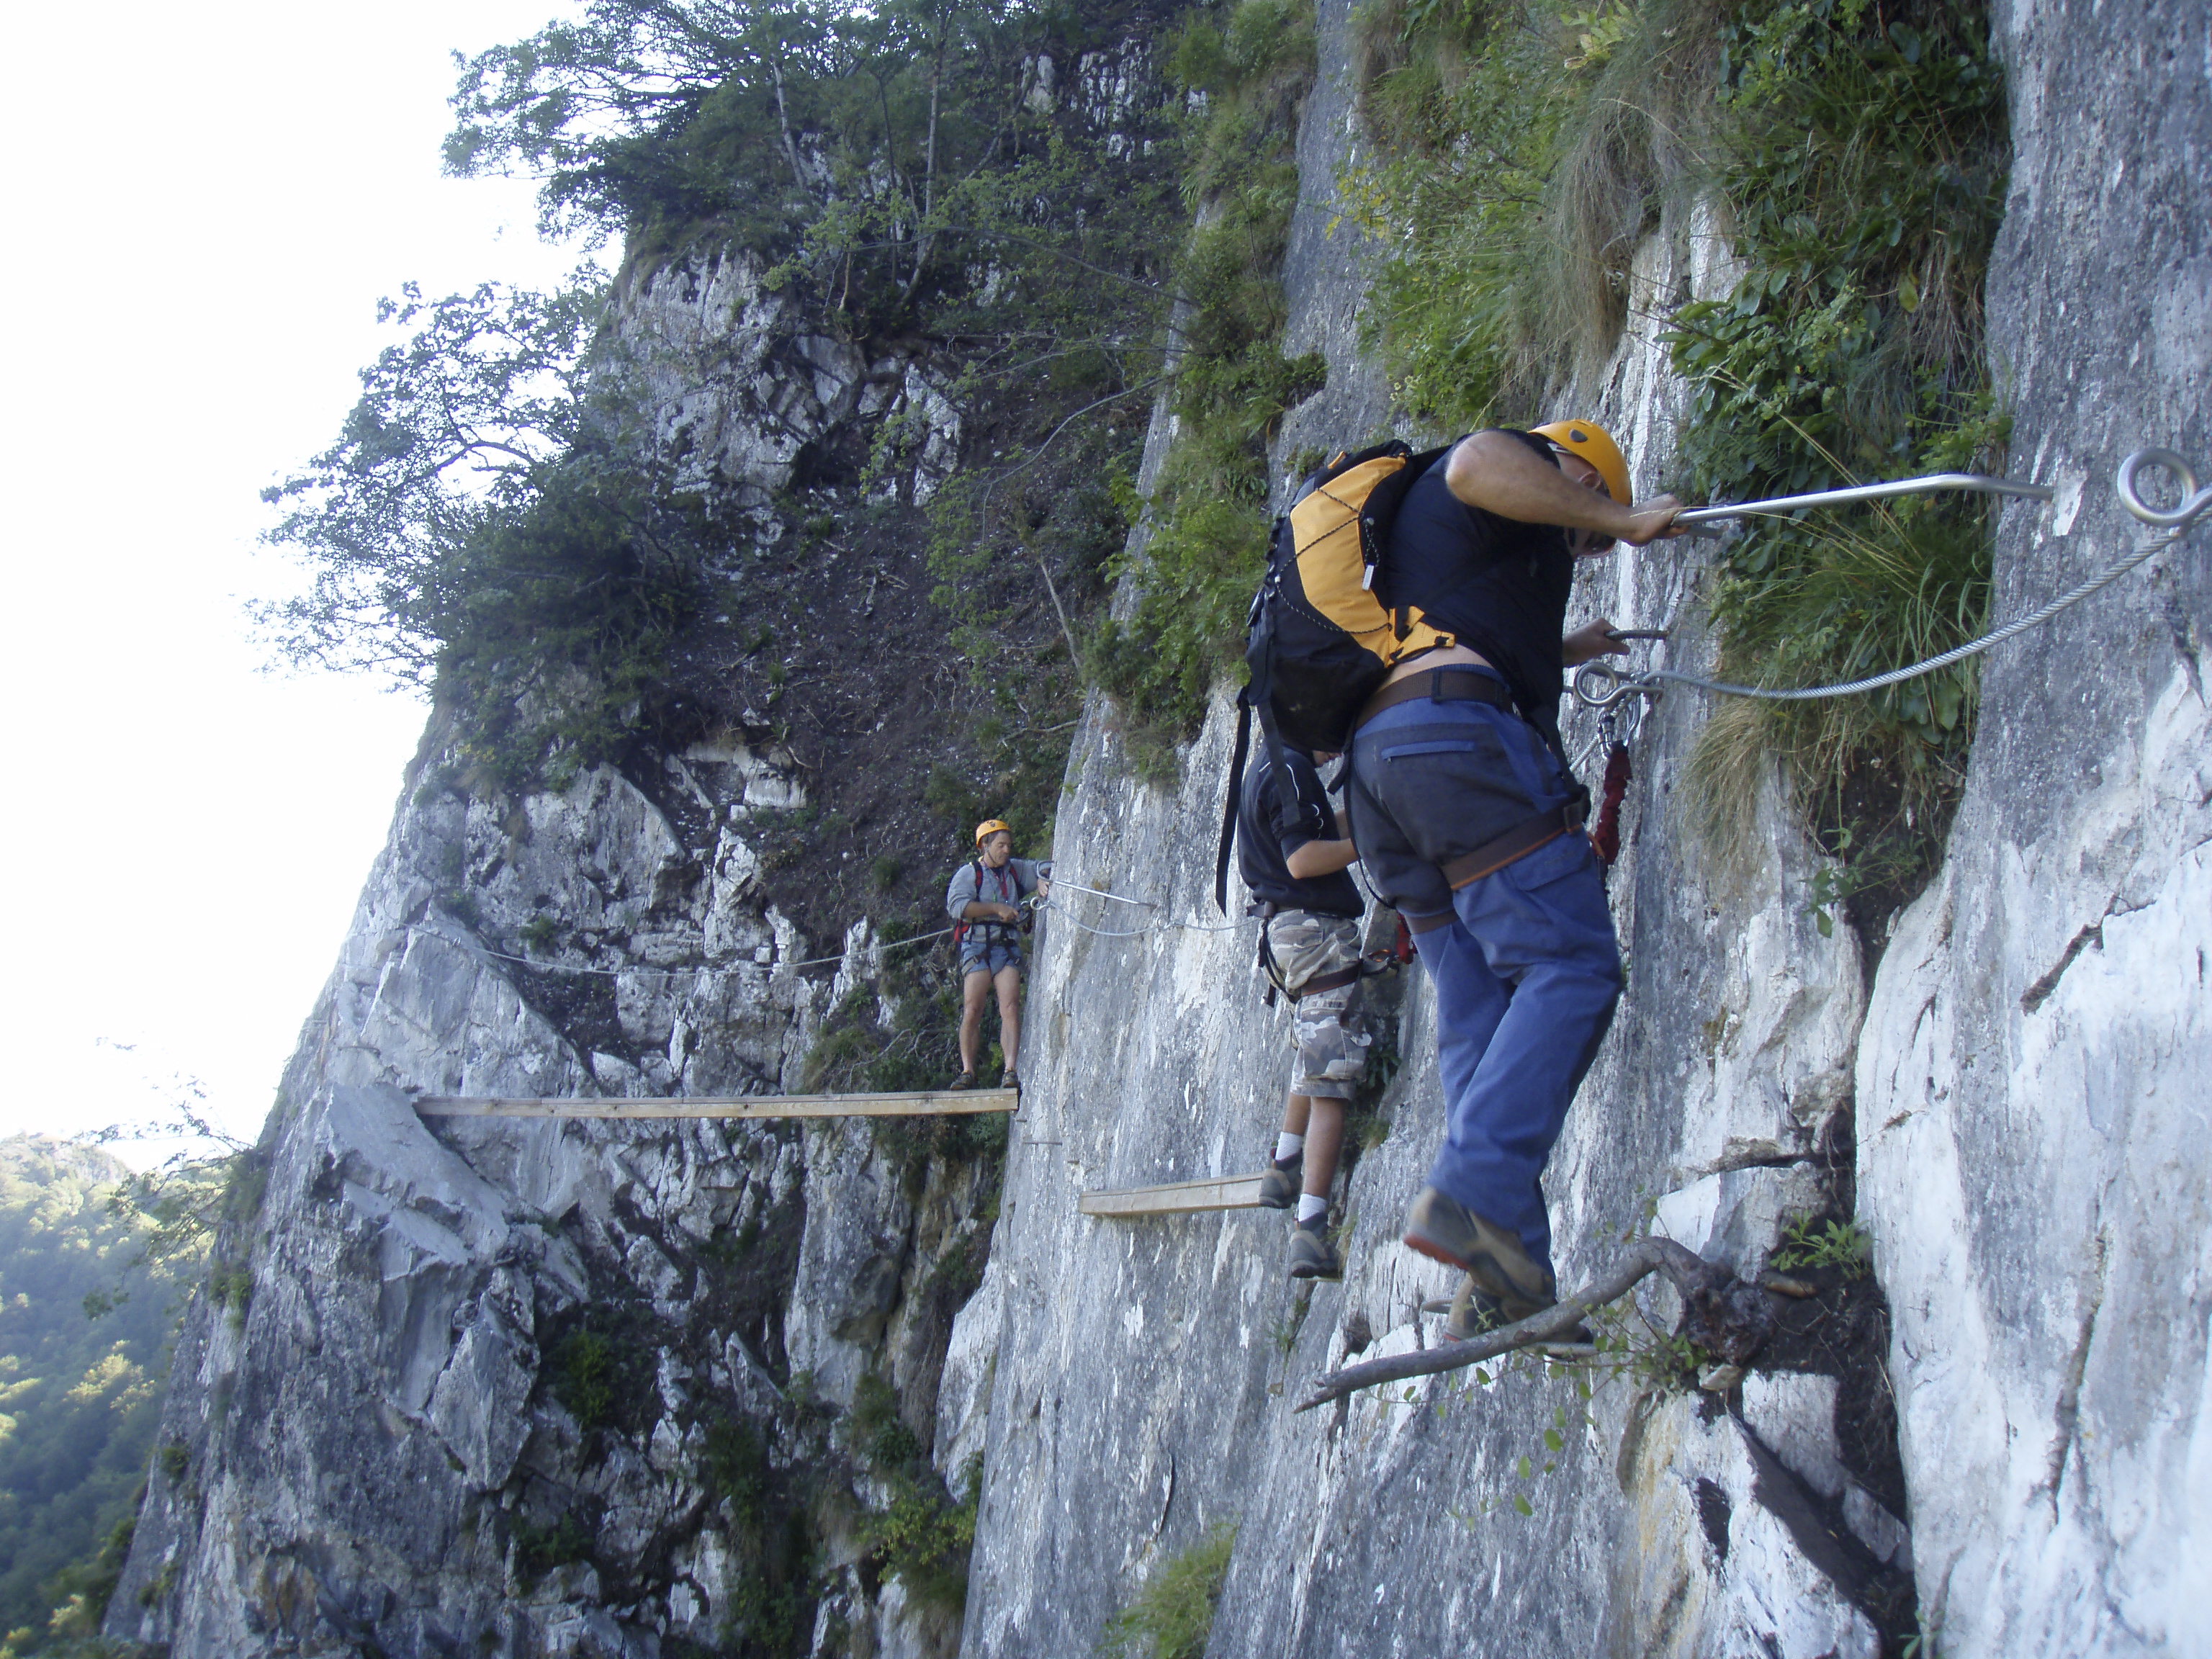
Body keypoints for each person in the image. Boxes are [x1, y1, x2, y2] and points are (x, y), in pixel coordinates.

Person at [1341, 421, 1681, 1337]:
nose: (1589, 544)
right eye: (1589, 530)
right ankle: (1477, 1190)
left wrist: (1568, 646)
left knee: (1479, 1003)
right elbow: (1482, 464)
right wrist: (1628, 516)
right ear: (1572, 466)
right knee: (1571, 964)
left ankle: (1507, 1271)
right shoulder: (1506, 457)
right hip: (1454, 747)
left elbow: (1464, 610)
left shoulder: (1438, 542)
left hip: (1383, 776)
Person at [1238, 742, 1370, 1281]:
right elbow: (1303, 856)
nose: (1338, 743)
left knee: (1314, 1048)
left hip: (1285, 934)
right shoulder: (1290, 769)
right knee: (1331, 1078)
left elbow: (1314, 831)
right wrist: (1372, 839)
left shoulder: (1269, 762)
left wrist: (1365, 815)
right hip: (1316, 932)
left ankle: (1284, 1165)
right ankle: (1310, 1228)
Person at [943, 820, 1051, 1089]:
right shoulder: (970, 874)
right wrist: (996, 908)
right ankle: (968, 1072)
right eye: (1000, 845)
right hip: (977, 946)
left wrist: (1040, 880)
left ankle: (1010, 1070)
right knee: (972, 1008)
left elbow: (1048, 866)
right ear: (985, 845)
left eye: (1008, 845)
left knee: (1011, 1006)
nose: (1006, 850)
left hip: (1005, 946)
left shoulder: (1014, 869)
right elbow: (958, 907)